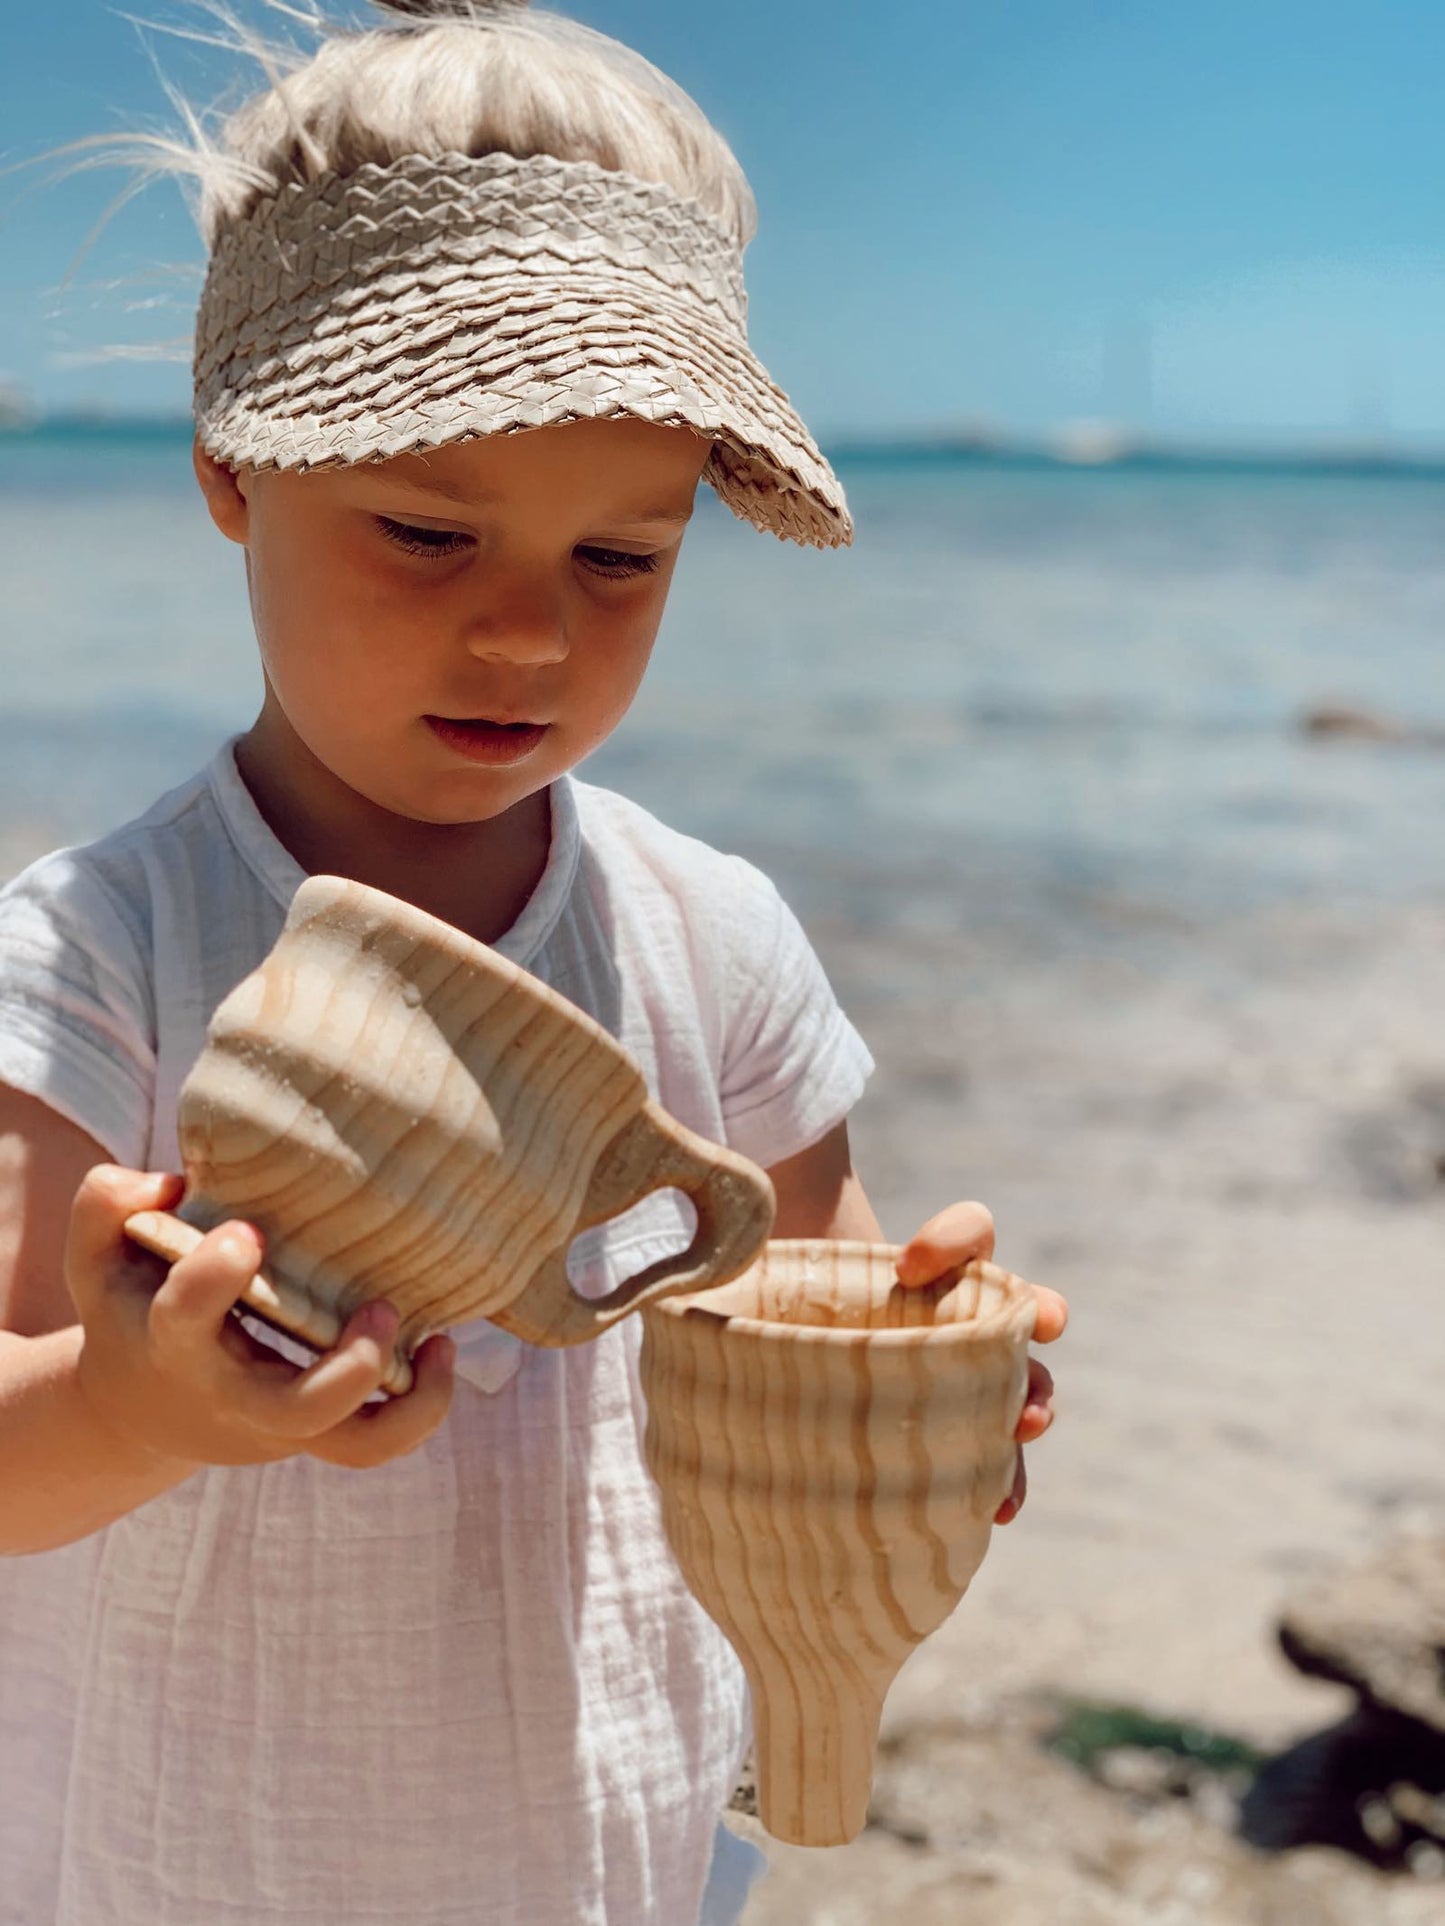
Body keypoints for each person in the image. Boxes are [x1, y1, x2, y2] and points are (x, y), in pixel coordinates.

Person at [0, 3, 1066, 1921]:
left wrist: (922, 1382)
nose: (526, 637)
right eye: (426, 532)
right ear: (233, 471)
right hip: (195, 1859)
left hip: (613, 1848)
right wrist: (136, 1408)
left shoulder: (707, 934)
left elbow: (794, 1295)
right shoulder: (102, 948)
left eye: (620, 560)